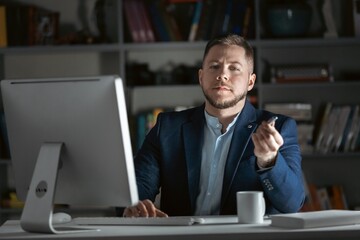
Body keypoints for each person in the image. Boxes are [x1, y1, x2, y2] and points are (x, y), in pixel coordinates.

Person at [123, 33, 305, 218]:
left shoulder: (279, 128)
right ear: (201, 77)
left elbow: (291, 204)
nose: (222, 75)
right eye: (214, 66)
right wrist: (134, 206)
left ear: (250, 81)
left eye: (234, 68)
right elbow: (136, 188)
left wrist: (269, 161)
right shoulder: (167, 127)